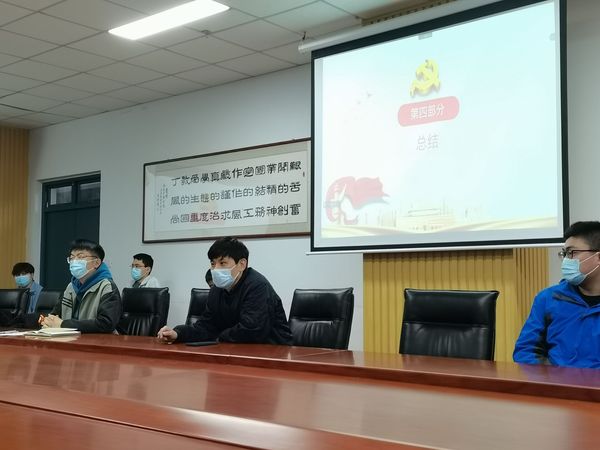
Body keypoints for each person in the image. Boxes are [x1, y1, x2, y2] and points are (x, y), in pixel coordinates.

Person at [158, 237, 292, 345]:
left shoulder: (258, 286)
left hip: (273, 353)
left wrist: (217, 337)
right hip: (233, 350)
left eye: (222, 263)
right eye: (213, 263)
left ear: (242, 264)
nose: (215, 269)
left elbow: (251, 330)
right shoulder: (217, 290)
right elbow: (206, 326)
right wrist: (178, 333)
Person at [513, 221, 600, 368]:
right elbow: (525, 351)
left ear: (598, 258)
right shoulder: (549, 298)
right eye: (564, 253)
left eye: (572, 253)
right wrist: (552, 377)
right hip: (554, 381)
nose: (566, 260)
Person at [42, 238, 122, 333]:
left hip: (100, 340)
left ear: (96, 263)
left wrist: (64, 325)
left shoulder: (107, 287)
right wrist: (48, 322)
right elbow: (55, 315)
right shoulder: (71, 287)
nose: (74, 261)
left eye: (80, 257)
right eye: (72, 258)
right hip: (70, 338)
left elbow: (106, 324)